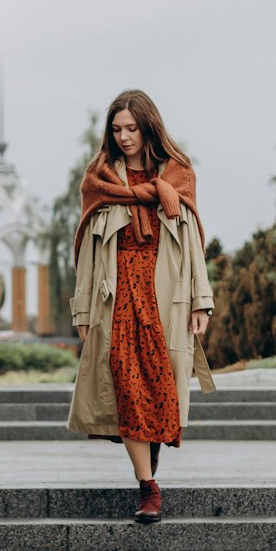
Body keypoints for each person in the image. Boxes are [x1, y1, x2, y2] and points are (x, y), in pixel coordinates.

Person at [67, 89, 215, 523]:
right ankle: (148, 487)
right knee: (127, 388)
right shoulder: (100, 180)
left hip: (165, 297)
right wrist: (82, 311)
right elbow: (86, 254)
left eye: (132, 128)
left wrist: (200, 302)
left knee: (161, 387)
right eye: (117, 129)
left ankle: (148, 466)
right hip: (115, 299)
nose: (125, 136)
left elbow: (192, 245)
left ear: (148, 126)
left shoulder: (178, 177)